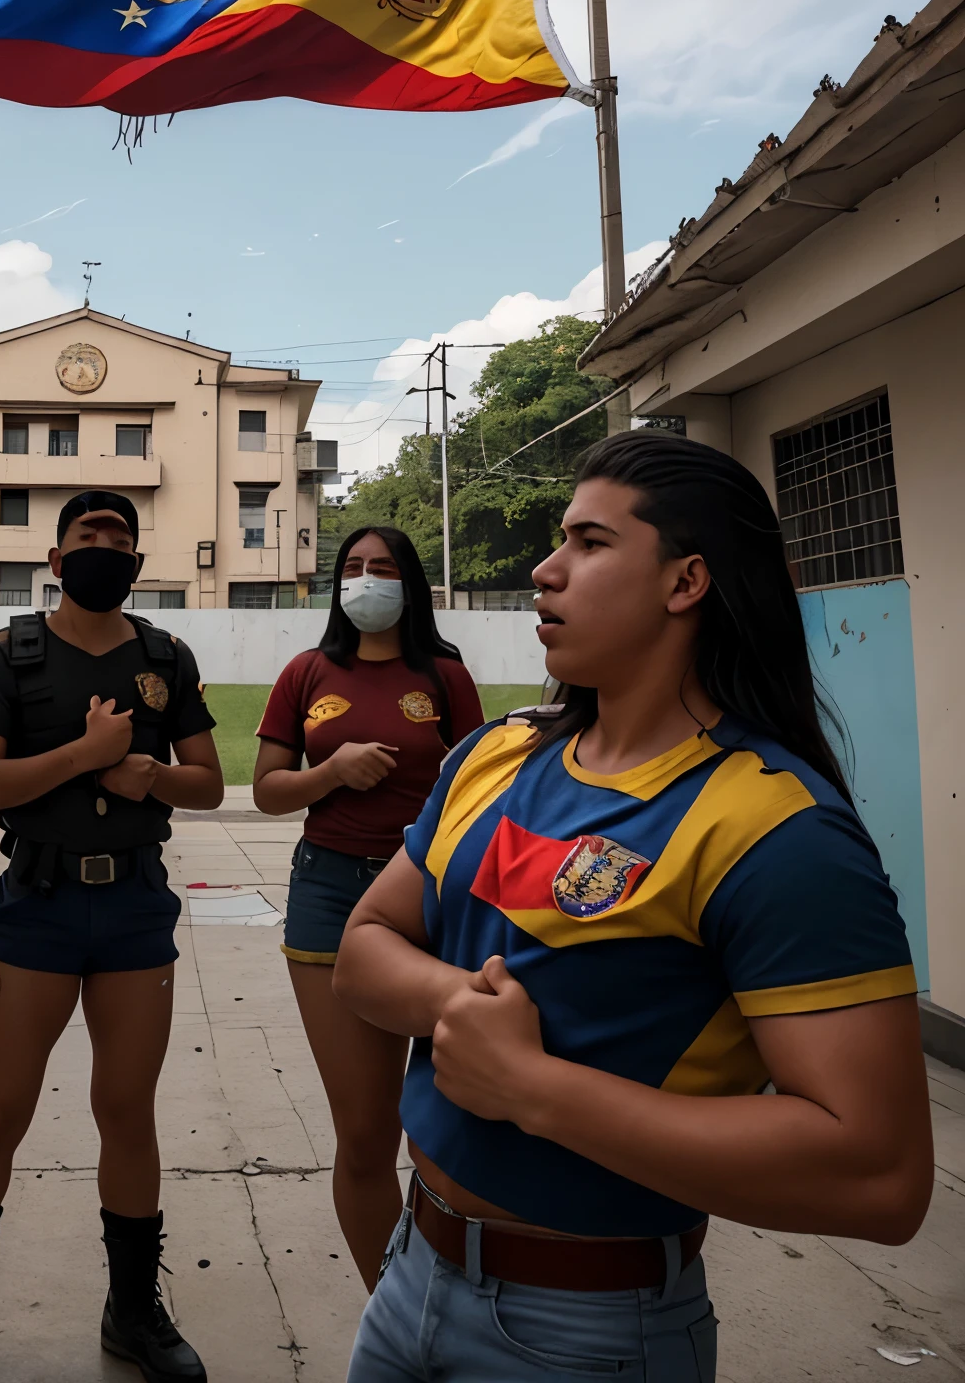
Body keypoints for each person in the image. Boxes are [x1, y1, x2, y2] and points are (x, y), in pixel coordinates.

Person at [333, 432, 933, 1382]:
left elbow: (880, 1176)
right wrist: (457, 1008)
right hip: (410, 1273)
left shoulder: (776, 828)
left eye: (589, 541)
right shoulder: (500, 755)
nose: (545, 567)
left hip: (587, 1330)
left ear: (685, 582)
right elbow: (364, 946)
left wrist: (535, 1089)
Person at [0, 491, 225, 1383]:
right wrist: (83, 759)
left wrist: (147, 772)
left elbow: (210, 784)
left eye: (121, 537)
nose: (107, 548)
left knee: (126, 1112)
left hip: (133, 911)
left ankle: (134, 1313)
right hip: (35, 909)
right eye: (90, 536)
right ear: (56, 559)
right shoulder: (9, 652)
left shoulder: (166, 656)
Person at [252, 525, 482, 1287]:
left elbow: (478, 793)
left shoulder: (445, 676)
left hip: (432, 900)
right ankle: (391, 1310)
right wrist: (332, 772)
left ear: (408, 583)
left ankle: (451, 1290)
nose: (366, 579)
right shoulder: (307, 672)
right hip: (329, 893)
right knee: (363, 1131)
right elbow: (267, 792)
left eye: (382, 567)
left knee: (450, 1123)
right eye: (352, 567)